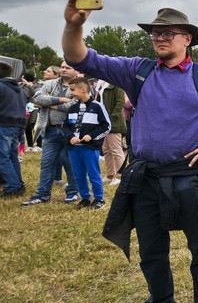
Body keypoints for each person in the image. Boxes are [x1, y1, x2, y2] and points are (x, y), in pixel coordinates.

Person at [62, 0, 198, 303]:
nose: (160, 38)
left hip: (190, 176)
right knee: (150, 249)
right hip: (146, 177)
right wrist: (74, 26)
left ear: (187, 39)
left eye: (168, 33)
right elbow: (80, 57)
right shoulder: (138, 70)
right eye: (155, 33)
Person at [21, 61, 81, 206]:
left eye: (68, 67)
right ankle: (43, 194)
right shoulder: (50, 83)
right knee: (46, 162)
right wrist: (61, 99)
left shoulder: (81, 85)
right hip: (50, 129)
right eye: (62, 67)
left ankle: (73, 191)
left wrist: (49, 104)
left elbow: (74, 105)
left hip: (70, 131)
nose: (64, 69)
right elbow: (37, 98)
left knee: (70, 163)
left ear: (76, 70)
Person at [62, 77, 111, 209]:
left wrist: (91, 136)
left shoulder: (97, 106)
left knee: (93, 174)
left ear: (83, 89)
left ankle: (99, 199)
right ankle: (85, 198)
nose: (70, 92)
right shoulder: (72, 108)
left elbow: (106, 126)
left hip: (89, 148)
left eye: (73, 90)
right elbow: (65, 126)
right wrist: (70, 136)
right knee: (78, 175)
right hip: (74, 148)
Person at [0, 61, 27, 197]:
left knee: (2, 158)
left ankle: (12, 186)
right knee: (12, 156)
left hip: (3, 124)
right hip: (17, 125)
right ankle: (18, 184)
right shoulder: (19, 88)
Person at [96, 79, 126, 186]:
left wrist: (112, 117)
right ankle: (110, 174)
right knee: (106, 149)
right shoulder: (101, 83)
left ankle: (120, 176)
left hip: (113, 122)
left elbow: (120, 102)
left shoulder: (117, 83)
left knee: (116, 149)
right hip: (103, 121)